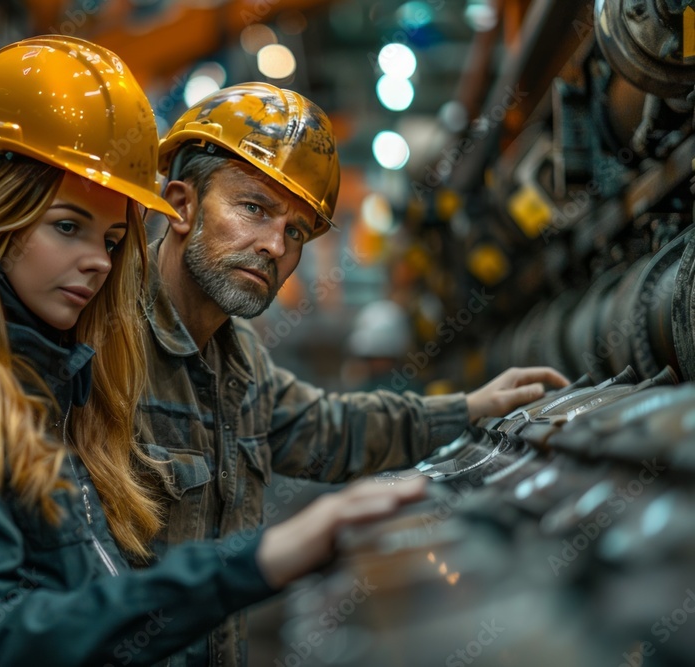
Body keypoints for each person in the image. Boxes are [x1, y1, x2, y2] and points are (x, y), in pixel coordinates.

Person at [0, 37, 429, 667]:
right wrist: (258, 561)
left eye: (114, 238)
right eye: (67, 227)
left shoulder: (63, 379)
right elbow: (0, 638)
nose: (97, 260)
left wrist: (471, 411)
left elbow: (90, 602)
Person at [136, 82, 570, 665]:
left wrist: (470, 408)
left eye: (295, 232)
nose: (274, 246)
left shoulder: (236, 362)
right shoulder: (103, 349)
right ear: (182, 205)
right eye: (254, 209)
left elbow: (329, 428)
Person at [342, 299, 424, 393]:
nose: (372, 364)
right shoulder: (364, 389)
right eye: (369, 358)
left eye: (378, 357)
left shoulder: (410, 392)